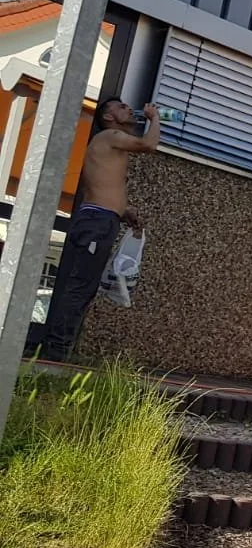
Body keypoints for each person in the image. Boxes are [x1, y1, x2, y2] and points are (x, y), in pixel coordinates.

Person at [29, 98, 157, 362]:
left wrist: (124, 211)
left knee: (83, 287)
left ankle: (57, 346)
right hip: (96, 222)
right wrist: (154, 118)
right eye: (120, 107)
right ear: (109, 118)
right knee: (80, 287)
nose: (127, 109)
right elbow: (148, 144)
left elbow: (104, 185)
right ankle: (55, 351)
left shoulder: (111, 144)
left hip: (101, 220)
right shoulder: (110, 136)